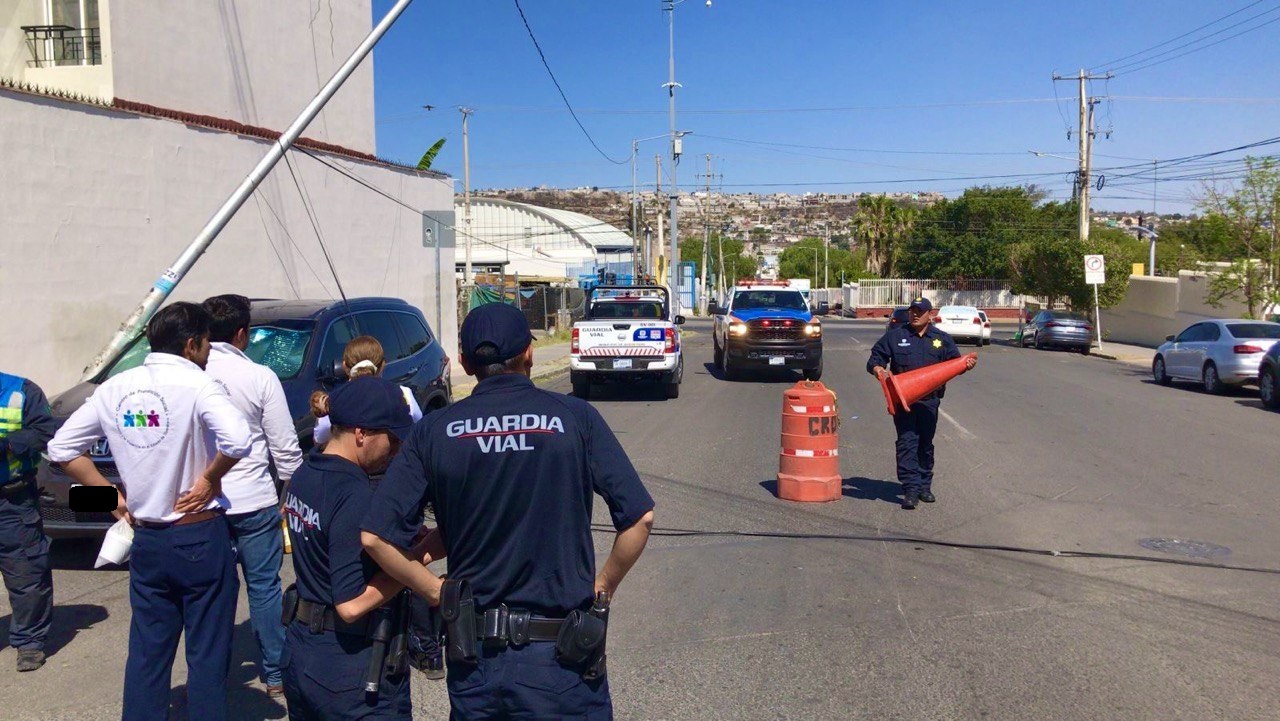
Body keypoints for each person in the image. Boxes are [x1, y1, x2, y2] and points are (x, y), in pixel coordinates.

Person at [360, 302, 656, 720]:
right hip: (561, 658)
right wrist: (603, 585)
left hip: (476, 660)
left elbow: (374, 537)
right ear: (529, 355)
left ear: (464, 362)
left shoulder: (433, 430)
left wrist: (434, 591)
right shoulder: (575, 418)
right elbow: (639, 518)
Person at [47, 302, 252, 721]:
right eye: (207, 343)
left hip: (147, 538)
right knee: (208, 655)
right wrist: (211, 478)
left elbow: (61, 449)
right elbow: (238, 439)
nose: (210, 351)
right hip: (198, 533)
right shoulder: (198, 385)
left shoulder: (115, 387)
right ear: (192, 343)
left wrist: (112, 499)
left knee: (147, 654)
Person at [281, 375, 434, 720]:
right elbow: (350, 605)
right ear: (361, 434)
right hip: (350, 670)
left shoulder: (305, 473)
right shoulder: (354, 494)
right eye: (392, 439)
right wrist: (412, 562)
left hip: (303, 651)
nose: (396, 450)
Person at [202, 294, 303, 698]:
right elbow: (285, 450)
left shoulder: (192, 375)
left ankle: (212, 674)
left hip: (204, 503)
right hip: (255, 500)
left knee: (213, 592)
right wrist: (288, 496)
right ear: (243, 334)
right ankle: (276, 674)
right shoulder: (260, 376)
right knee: (263, 587)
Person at [867, 297, 977, 510]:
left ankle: (924, 485)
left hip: (929, 402)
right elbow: (875, 357)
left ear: (930, 314)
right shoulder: (896, 336)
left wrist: (966, 365)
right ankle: (910, 489)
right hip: (903, 401)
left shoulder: (941, 339)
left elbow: (955, 363)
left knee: (925, 444)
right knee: (907, 442)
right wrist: (878, 369)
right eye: (912, 311)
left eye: (920, 311)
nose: (915, 314)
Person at [0, 371, 57, 672]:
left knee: (25, 573)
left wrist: (9, 444)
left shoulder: (20, 391)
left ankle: (29, 642)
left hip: (11, 501)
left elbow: (47, 431)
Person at [311, 336, 423, 447]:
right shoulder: (404, 394)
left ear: (345, 366)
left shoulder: (333, 401)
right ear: (383, 365)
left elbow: (319, 439)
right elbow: (419, 430)